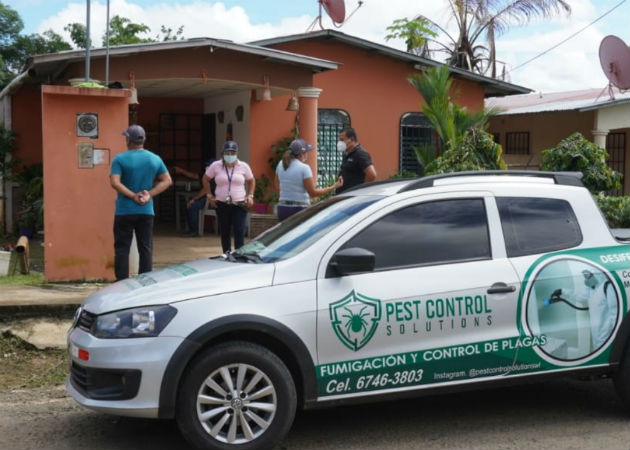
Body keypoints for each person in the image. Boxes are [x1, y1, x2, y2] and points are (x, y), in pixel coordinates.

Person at [110, 124, 172, 281]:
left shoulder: (120, 159)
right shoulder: (154, 158)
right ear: (143, 140)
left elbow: (115, 182)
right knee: (145, 248)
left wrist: (132, 196)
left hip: (124, 211)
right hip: (146, 211)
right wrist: (149, 194)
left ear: (128, 140)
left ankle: (121, 283)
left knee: (122, 248)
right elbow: (167, 181)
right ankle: (144, 283)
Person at [204, 140, 255, 253]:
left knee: (239, 231)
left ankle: (239, 254)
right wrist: (209, 195)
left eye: (232, 153)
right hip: (222, 204)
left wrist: (250, 195)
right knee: (224, 231)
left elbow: (251, 181)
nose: (230, 155)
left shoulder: (243, 166)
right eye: (227, 153)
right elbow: (206, 179)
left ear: (236, 154)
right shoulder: (215, 166)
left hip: (239, 204)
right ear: (223, 154)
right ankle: (226, 254)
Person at [275, 138, 343, 220]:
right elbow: (313, 193)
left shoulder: (280, 164)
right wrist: (333, 186)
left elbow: (276, 185)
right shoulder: (304, 168)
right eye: (306, 152)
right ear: (302, 153)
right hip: (299, 209)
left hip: (282, 208)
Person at [172, 161, 216, 237]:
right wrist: (181, 171)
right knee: (186, 205)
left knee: (192, 206)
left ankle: (194, 230)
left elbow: (205, 190)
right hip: (204, 199)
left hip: (211, 201)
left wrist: (194, 199)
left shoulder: (214, 176)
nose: (207, 168)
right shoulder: (204, 174)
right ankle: (190, 228)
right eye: (207, 167)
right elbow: (194, 175)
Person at [335, 127, 377, 194]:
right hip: (344, 195)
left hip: (353, 196)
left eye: (342, 140)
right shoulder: (347, 154)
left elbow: (372, 175)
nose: (340, 143)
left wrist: (360, 190)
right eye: (339, 140)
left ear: (351, 139)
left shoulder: (360, 154)